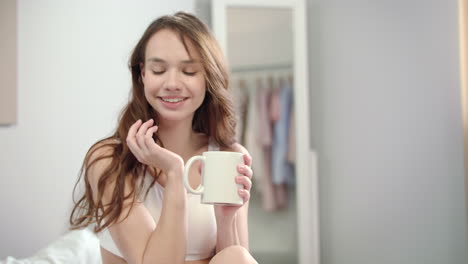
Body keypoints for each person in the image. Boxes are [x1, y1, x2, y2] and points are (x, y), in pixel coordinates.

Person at [69, 12, 257, 264]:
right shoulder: (108, 159)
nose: (172, 83)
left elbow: (234, 258)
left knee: (236, 256)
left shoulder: (227, 155)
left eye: (189, 71)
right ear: (143, 74)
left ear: (207, 79)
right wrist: (174, 173)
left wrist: (226, 219)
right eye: (158, 70)